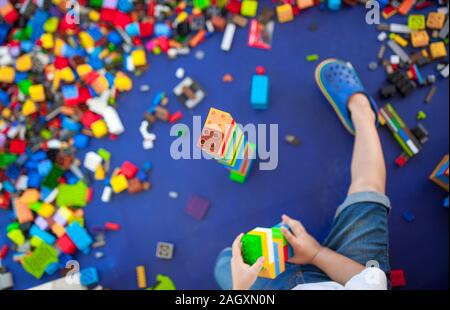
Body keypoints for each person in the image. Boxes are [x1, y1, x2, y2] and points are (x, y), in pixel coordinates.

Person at [214, 59, 391, 290]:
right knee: (368, 188)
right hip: (353, 275)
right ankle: (363, 114)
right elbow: (373, 283)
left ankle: (363, 114)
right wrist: (317, 254)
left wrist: (240, 288)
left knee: (223, 264)